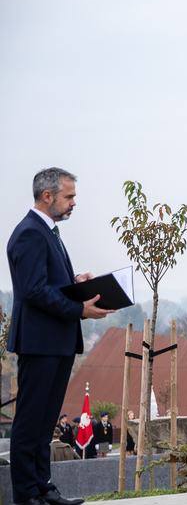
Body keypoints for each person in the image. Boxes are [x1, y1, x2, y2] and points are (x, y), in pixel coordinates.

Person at [7, 168, 114, 505]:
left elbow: (47, 283)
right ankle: (27, 495)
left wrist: (74, 280)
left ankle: (43, 488)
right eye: (69, 196)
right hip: (40, 343)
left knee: (45, 423)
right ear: (47, 196)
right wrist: (79, 308)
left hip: (56, 342)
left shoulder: (47, 232)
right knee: (29, 423)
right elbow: (34, 290)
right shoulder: (30, 233)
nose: (74, 202)